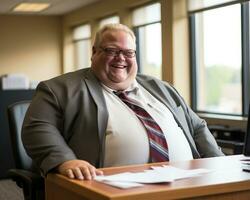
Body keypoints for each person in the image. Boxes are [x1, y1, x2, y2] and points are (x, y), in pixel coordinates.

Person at [22, 23, 224, 181]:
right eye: (112, 50)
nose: (121, 58)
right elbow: (38, 128)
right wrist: (66, 161)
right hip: (107, 188)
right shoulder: (59, 89)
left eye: (128, 53)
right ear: (94, 52)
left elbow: (197, 127)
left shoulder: (162, 88)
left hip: (187, 184)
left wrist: (221, 164)